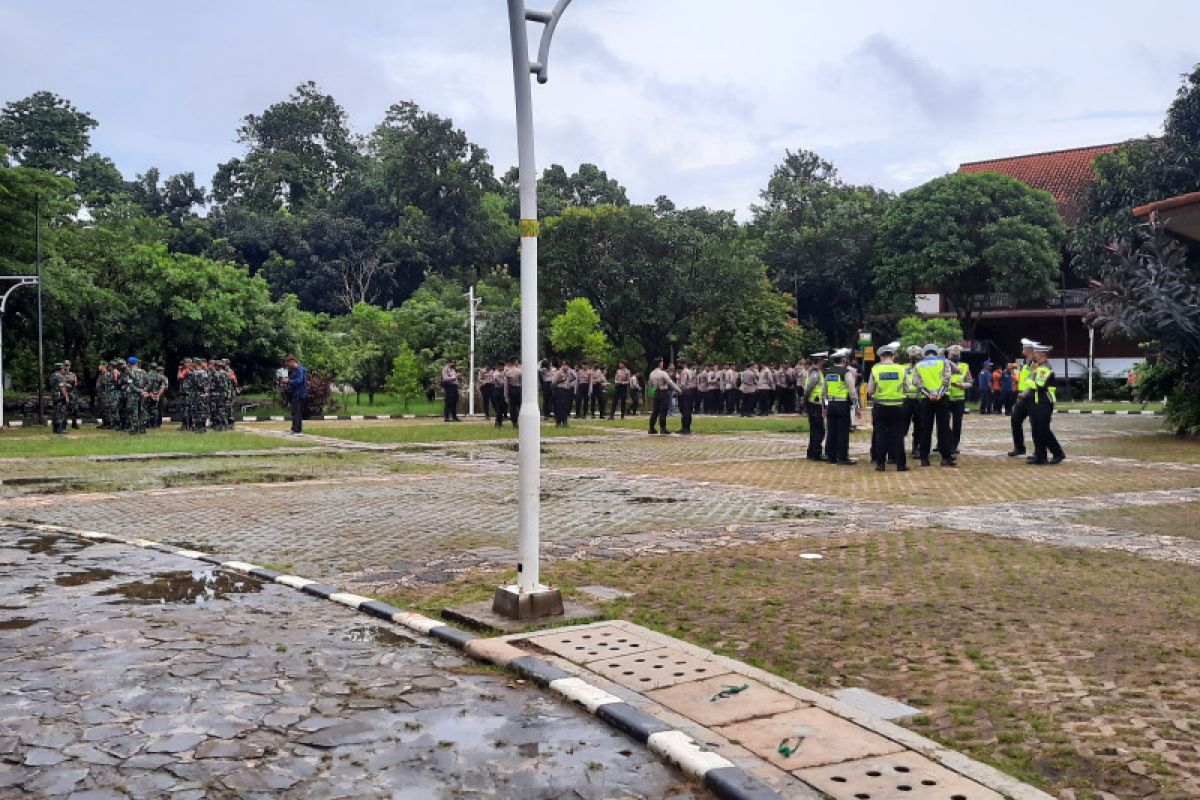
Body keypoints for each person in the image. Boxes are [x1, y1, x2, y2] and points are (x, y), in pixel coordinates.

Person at [867, 342, 908, 472]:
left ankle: (880, 464)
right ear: (893, 356)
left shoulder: (875, 369)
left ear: (881, 357)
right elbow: (907, 388)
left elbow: (870, 390)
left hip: (880, 407)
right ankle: (900, 465)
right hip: (898, 406)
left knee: (880, 435)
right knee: (898, 435)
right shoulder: (901, 369)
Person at [912, 343, 954, 467]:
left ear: (925, 353)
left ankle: (924, 458)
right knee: (943, 429)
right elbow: (947, 379)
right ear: (937, 352)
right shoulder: (944, 362)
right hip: (942, 398)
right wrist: (939, 394)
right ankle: (945, 458)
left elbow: (916, 382)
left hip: (926, 399)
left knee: (925, 428)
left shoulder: (919, 364)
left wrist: (929, 394)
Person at [1027, 344, 1066, 465]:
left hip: (1044, 402)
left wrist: (1029, 381)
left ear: (1042, 355)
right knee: (1036, 430)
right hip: (1037, 402)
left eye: (1036, 354)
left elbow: (1039, 386)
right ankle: (1040, 455)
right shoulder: (1039, 367)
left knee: (1043, 430)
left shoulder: (1044, 369)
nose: (1035, 356)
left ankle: (1058, 453)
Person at [822, 348, 859, 465]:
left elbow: (824, 390)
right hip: (842, 404)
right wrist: (857, 405)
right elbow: (852, 391)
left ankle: (831, 456)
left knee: (831, 430)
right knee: (842, 431)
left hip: (831, 404)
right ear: (843, 359)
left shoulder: (828, 372)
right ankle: (843, 457)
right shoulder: (845, 372)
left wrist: (825, 405)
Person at [1008, 339, 1038, 457]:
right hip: (1022, 397)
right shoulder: (1026, 363)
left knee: (1035, 424)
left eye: (1024, 347)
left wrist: (1026, 392)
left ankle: (1038, 451)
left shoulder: (1034, 363)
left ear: (1029, 350)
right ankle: (1019, 448)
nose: (1022, 349)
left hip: (1031, 395)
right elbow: (1020, 379)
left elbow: (1035, 379)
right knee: (1015, 420)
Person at [946, 345, 971, 454]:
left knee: (957, 423)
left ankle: (954, 445)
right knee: (943, 422)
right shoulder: (944, 365)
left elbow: (970, 382)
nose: (955, 356)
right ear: (949, 355)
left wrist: (962, 385)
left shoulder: (965, 366)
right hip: (945, 397)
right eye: (953, 355)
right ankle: (945, 441)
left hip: (959, 399)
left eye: (957, 355)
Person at [803, 352, 827, 461]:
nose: (824, 362)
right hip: (814, 403)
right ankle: (816, 453)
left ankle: (811, 452)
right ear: (819, 361)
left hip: (814, 402)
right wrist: (804, 398)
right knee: (819, 430)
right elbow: (810, 387)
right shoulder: (815, 373)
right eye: (823, 360)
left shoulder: (816, 372)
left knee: (815, 429)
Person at [647, 358, 680, 434]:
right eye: (662, 362)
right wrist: (678, 390)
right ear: (659, 363)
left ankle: (651, 428)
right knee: (663, 411)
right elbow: (670, 382)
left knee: (655, 411)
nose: (663, 364)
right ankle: (663, 428)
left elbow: (650, 384)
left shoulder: (651, 373)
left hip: (656, 392)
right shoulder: (663, 373)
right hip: (663, 392)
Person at [285, 354, 307, 434]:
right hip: (296, 393)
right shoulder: (296, 370)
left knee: (295, 411)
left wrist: (289, 381)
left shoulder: (299, 370)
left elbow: (300, 381)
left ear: (292, 362)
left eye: (288, 364)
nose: (288, 366)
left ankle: (296, 430)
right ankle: (297, 428)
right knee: (296, 411)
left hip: (299, 393)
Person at [552, 360, 575, 427]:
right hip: (559, 390)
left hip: (566, 390)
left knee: (565, 407)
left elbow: (575, 377)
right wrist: (560, 374)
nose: (564, 366)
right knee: (559, 407)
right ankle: (558, 422)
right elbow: (553, 382)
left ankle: (565, 422)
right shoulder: (558, 372)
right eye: (563, 365)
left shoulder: (569, 373)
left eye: (566, 365)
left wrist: (569, 370)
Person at [678, 360, 698, 435]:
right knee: (688, 410)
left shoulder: (684, 372)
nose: (679, 365)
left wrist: (677, 389)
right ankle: (686, 428)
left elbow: (683, 384)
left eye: (680, 363)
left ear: (683, 364)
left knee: (685, 410)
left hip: (685, 392)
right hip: (689, 392)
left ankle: (685, 428)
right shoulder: (688, 371)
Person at [49, 363, 70, 434]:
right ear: (60, 368)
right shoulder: (60, 376)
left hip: (54, 396)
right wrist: (66, 396)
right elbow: (62, 388)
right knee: (60, 412)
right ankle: (59, 429)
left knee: (55, 412)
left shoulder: (52, 376)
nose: (64, 369)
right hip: (60, 396)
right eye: (63, 368)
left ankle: (55, 428)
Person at [503, 357, 522, 428]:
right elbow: (522, 382)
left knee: (513, 407)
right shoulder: (520, 371)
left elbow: (506, 384)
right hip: (519, 389)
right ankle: (522, 421)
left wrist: (506, 395)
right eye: (517, 361)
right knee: (521, 406)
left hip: (511, 389)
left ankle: (514, 422)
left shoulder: (507, 372)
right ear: (514, 362)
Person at [492, 362, 509, 427]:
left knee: (502, 408)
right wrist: (505, 379)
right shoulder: (496, 374)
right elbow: (501, 383)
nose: (503, 368)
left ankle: (499, 422)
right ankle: (497, 423)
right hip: (498, 391)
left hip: (502, 391)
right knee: (499, 408)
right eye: (502, 367)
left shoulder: (502, 373)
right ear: (499, 367)